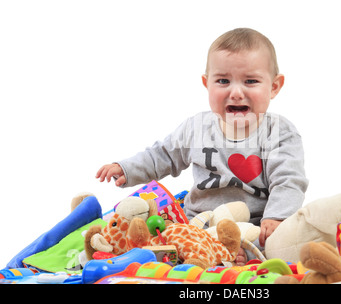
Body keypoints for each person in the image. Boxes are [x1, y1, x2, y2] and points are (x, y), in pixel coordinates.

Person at [96, 28, 308, 264]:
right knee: (161, 230)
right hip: (198, 221)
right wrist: (126, 168)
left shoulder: (279, 133)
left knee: (280, 241)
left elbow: (289, 181)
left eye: (251, 81)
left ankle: (237, 254)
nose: (236, 92)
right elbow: (163, 155)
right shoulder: (197, 128)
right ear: (207, 84)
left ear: (274, 86)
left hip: (255, 223)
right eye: (223, 81)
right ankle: (202, 252)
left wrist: (277, 217)